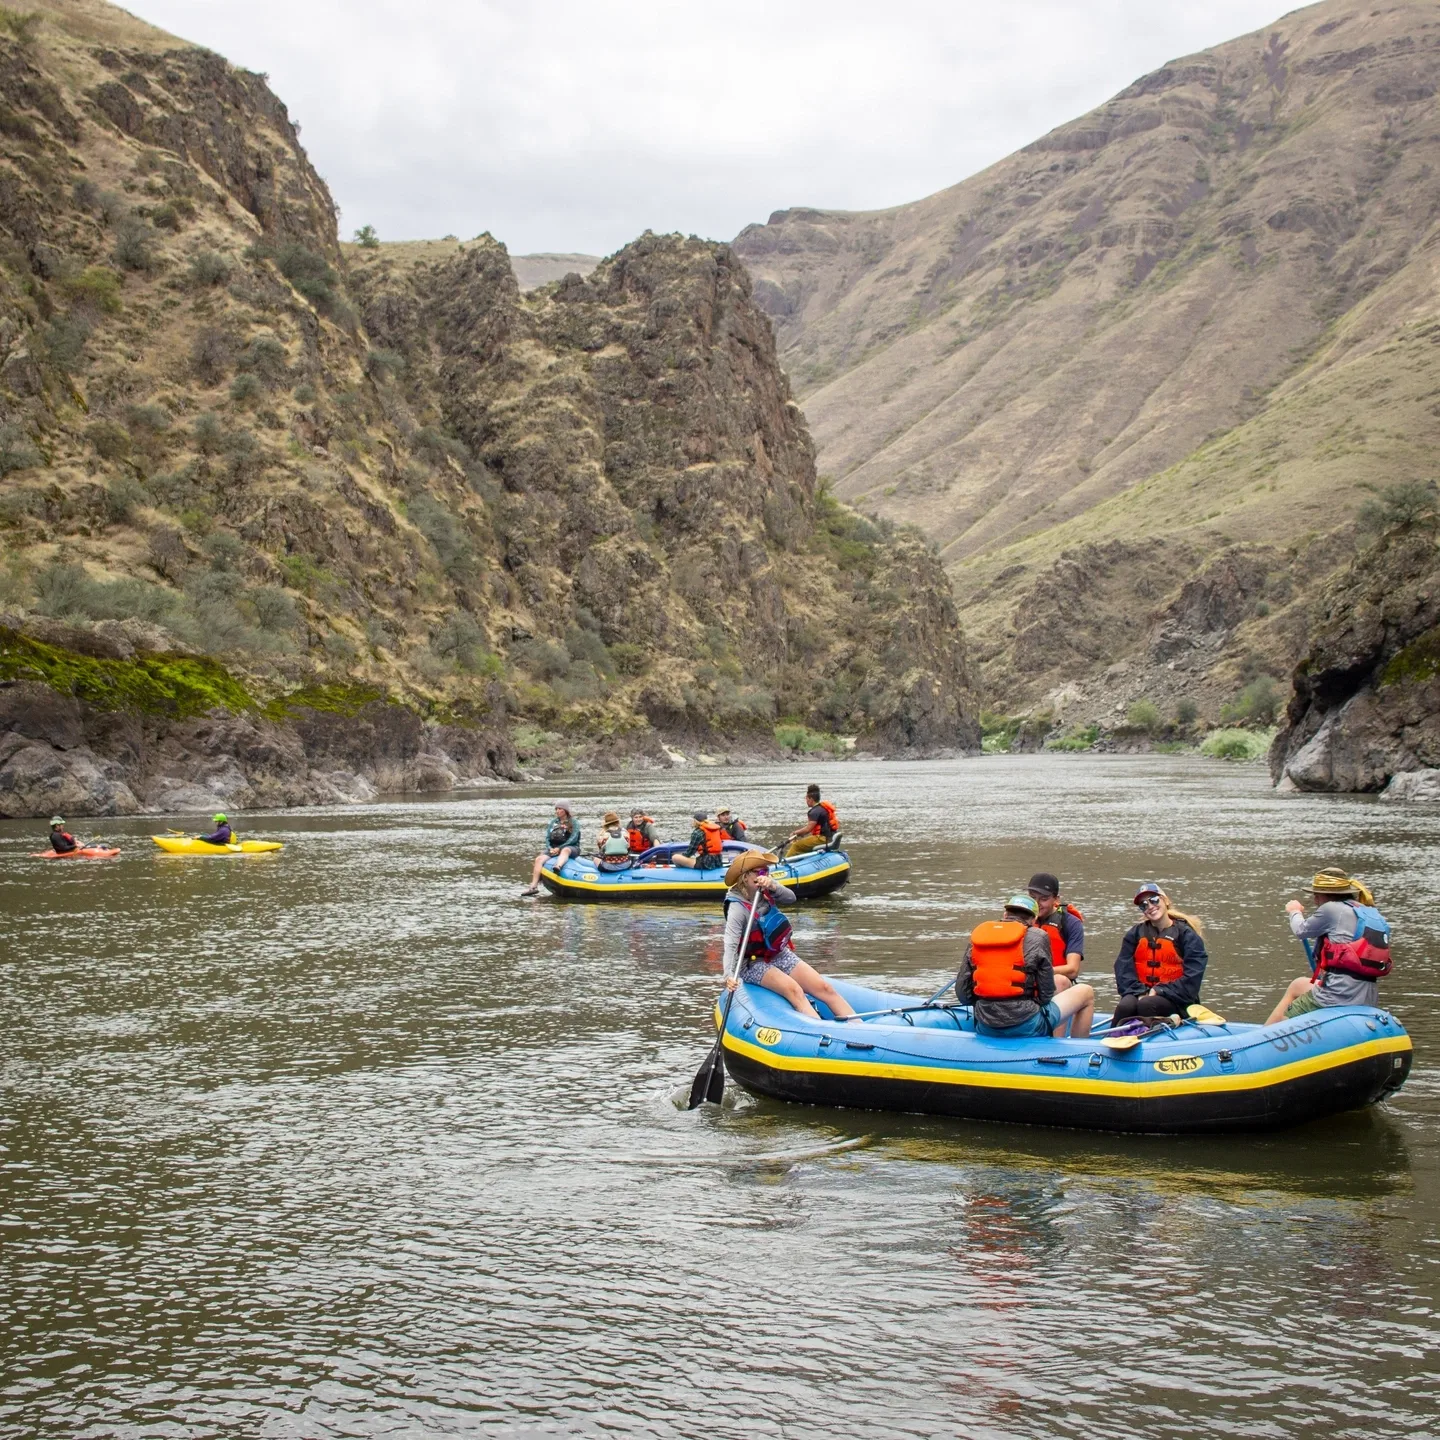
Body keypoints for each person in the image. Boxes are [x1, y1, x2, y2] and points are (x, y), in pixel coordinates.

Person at [722, 850, 857, 1020]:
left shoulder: (764, 890)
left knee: (825, 988)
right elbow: (730, 943)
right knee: (795, 990)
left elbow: (791, 898)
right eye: (759, 872)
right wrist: (728, 975)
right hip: (752, 963)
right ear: (745, 876)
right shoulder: (737, 908)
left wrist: (773, 885)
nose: (764, 875)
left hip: (777, 953)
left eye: (766, 871)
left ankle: (858, 1026)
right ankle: (819, 1028)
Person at [956, 893, 1095, 1039]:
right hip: (1027, 1025)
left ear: (1005, 914)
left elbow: (963, 994)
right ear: (1034, 919)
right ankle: (1077, 1052)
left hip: (985, 1025)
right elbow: (1046, 994)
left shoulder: (979, 936)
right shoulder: (1039, 937)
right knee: (1086, 992)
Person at [1265, 869, 1392, 1025]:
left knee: (1286, 1015)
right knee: (1298, 985)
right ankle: (1263, 1031)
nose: (1315, 899)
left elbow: (1300, 930)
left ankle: (1264, 1037)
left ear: (1324, 895)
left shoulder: (1331, 909)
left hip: (1338, 995)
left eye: (1316, 894)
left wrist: (1294, 911)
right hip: (1367, 996)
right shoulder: (1366, 912)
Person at [1113, 882, 1208, 1021]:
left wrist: (1160, 990)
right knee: (1125, 1006)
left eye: (1154, 900)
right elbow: (1123, 970)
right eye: (1143, 905)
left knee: (1147, 1004)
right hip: (1141, 992)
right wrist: (1141, 992)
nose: (1150, 906)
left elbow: (1192, 978)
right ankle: (1114, 1036)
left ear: (1165, 900)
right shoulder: (1135, 934)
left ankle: (1150, 1037)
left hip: (1177, 999)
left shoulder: (1186, 935)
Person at [1027, 872, 1084, 992]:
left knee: (1060, 981)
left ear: (1056, 899)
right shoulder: (1018, 918)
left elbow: (1073, 970)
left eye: (1044, 899)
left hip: (1053, 983)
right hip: (1025, 981)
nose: (1037, 904)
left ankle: (1052, 1011)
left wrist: (1040, 972)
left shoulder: (1071, 923)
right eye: (1032, 898)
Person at [522, 801, 580, 896]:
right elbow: (548, 838)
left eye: (560, 809)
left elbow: (573, 838)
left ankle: (558, 866)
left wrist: (560, 848)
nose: (557, 811)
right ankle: (533, 886)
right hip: (553, 848)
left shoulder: (574, 822)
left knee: (565, 850)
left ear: (565, 810)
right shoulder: (553, 822)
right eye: (556, 809)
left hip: (571, 847)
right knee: (538, 859)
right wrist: (550, 848)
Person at [783, 784, 839, 858]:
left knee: (796, 846)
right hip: (830, 837)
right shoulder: (823, 808)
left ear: (811, 799)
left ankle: (785, 864)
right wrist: (800, 834)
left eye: (806, 798)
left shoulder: (814, 811)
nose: (806, 801)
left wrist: (795, 833)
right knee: (805, 843)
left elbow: (808, 829)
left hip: (823, 839)